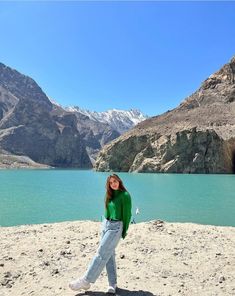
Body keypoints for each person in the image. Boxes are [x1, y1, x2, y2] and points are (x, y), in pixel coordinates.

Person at [69, 173, 132, 294]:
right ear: (108, 184)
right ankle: (112, 284)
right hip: (106, 225)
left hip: (116, 227)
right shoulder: (110, 195)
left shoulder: (125, 195)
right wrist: (104, 226)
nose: (113, 184)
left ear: (119, 181)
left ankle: (86, 281)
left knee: (101, 253)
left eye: (115, 181)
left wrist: (123, 232)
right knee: (109, 255)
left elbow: (127, 215)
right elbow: (107, 211)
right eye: (111, 182)